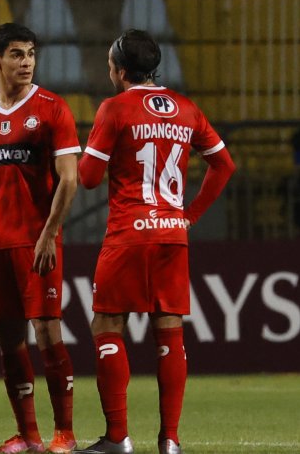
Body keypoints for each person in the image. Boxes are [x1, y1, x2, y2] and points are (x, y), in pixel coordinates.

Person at [74, 30, 235, 454]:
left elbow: (88, 179)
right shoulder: (185, 108)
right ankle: (170, 441)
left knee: (107, 325)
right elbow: (224, 164)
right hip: (171, 234)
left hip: (128, 233)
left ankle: (117, 438)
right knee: (170, 330)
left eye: (111, 63)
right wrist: (188, 216)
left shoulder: (114, 108)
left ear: (121, 70)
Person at [0, 23, 80, 454]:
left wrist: (49, 233)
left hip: (38, 242)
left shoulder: (52, 109)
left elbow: (70, 179)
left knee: (47, 332)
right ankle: (27, 437)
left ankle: (64, 434)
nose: (25, 61)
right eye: (15, 54)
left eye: (30, 53)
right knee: (8, 340)